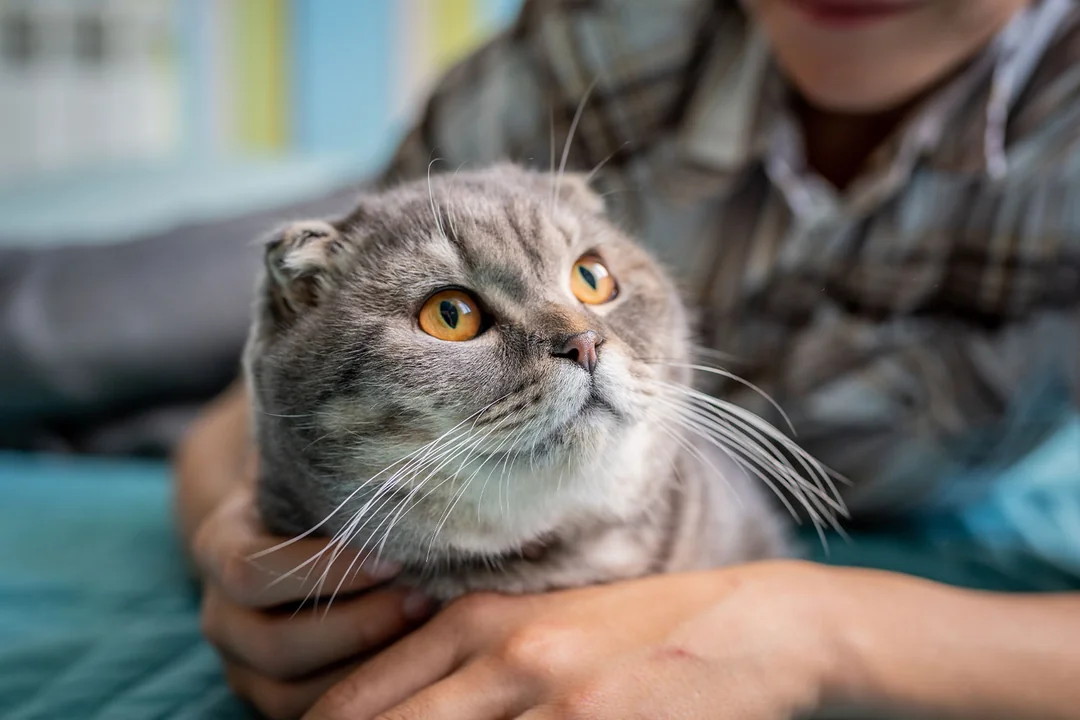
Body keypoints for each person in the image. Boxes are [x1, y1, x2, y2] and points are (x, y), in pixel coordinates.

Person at [174, 0, 1080, 718]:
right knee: (52, 329)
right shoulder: (599, 33)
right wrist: (243, 543)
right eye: (455, 318)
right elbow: (264, 396)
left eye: (593, 285)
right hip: (332, 247)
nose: (580, 340)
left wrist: (813, 632)